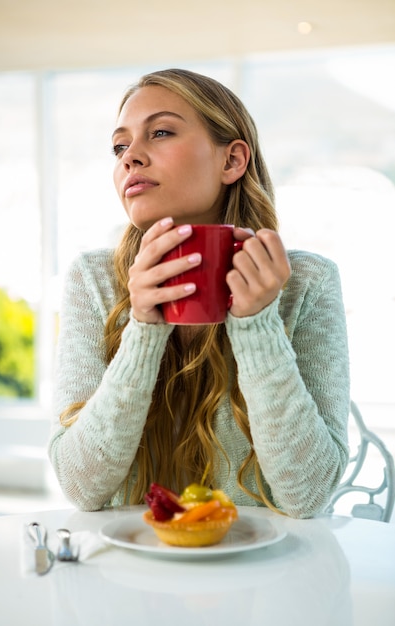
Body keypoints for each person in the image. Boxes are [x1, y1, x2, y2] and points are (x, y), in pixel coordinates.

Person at [49, 68, 350, 518]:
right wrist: (143, 328)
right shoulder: (93, 279)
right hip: (127, 574)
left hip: (265, 576)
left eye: (161, 132)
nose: (130, 157)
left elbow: (307, 495)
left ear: (232, 161)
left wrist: (257, 325)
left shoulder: (306, 282)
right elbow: (80, 486)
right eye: (119, 146)